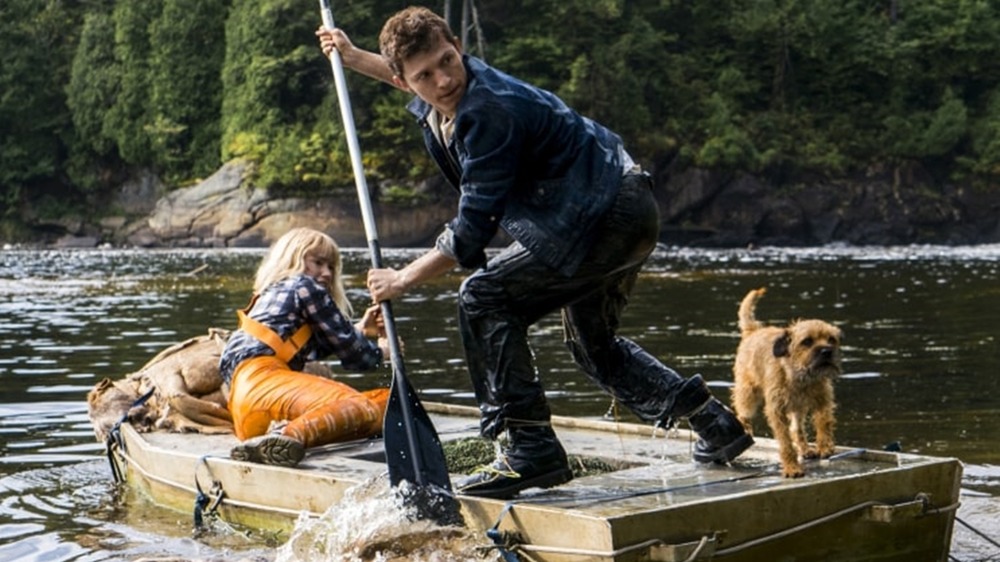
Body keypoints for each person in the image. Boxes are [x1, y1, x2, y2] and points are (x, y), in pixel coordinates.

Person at [317, 6, 753, 498]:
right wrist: (352, 58)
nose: (443, 80)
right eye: (425, 75)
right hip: (621, 207)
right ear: (405, 82)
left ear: (458, 46)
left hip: (603, 215)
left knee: (483, 299)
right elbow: (402, 73)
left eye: (447, 61)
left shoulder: (486, 112)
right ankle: (716, 425)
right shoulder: (441, 94)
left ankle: (530, 449)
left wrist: (403, 279)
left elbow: (472, 228)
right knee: (594, 345)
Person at [220, 227, 391, 468]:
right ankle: (283, 438)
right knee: (361, 406)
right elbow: (356, 357)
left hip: (246, 409)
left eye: (331, 267)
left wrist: (361, 329)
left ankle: (280, 435)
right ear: (293, 259)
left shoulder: (270, 295)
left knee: (386, 402)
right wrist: (383, 351)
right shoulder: (304, 286)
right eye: (318, 262)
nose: (326, 273)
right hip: (264, 386)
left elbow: (315, 348)